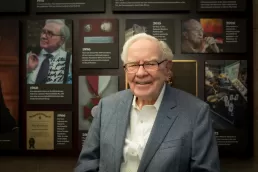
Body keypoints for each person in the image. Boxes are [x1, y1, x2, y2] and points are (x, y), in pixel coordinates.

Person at [75, 33, 220, 172]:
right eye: (132, 65)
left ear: (167, 69)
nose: (140, 73)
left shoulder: (196, 113)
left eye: (150, 64)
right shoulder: (106, 107)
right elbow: (87, 165)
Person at [26, 19, 72, 84]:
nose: (43, 36)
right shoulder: (30, 56)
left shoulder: (70, 60)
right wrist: (28, 69)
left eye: (50, 33)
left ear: (62, 40)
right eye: (43, 32)